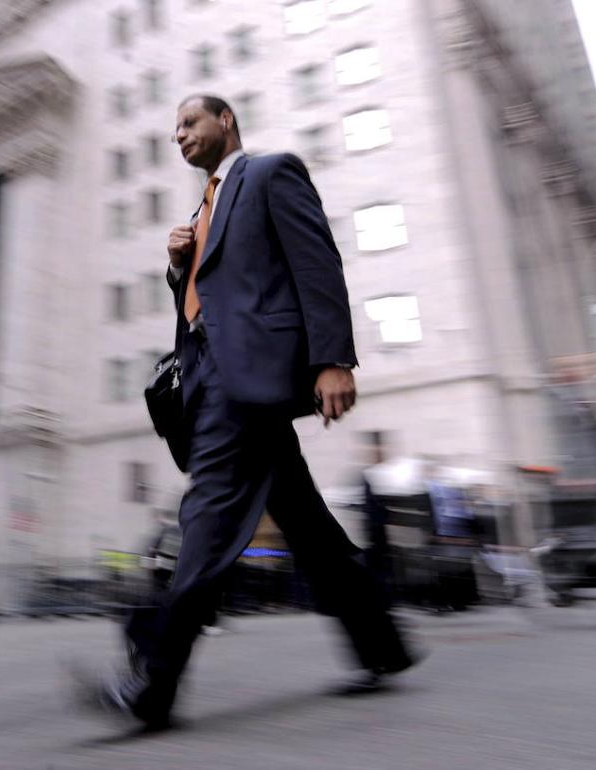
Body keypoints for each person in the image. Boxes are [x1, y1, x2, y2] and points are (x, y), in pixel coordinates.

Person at [81, 95, 416, 731]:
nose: (178, 134)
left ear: (225, 121)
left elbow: (316, 263)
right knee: (308, 528)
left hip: (249, 377)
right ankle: (381, 644)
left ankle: (155, 677)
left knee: (207, 514)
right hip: (210, 377)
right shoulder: (196, 214)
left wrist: (333, 360)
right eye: (174, 127)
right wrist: (178, 267)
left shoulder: (268, 173)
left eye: (188, 122)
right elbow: (208, 302)